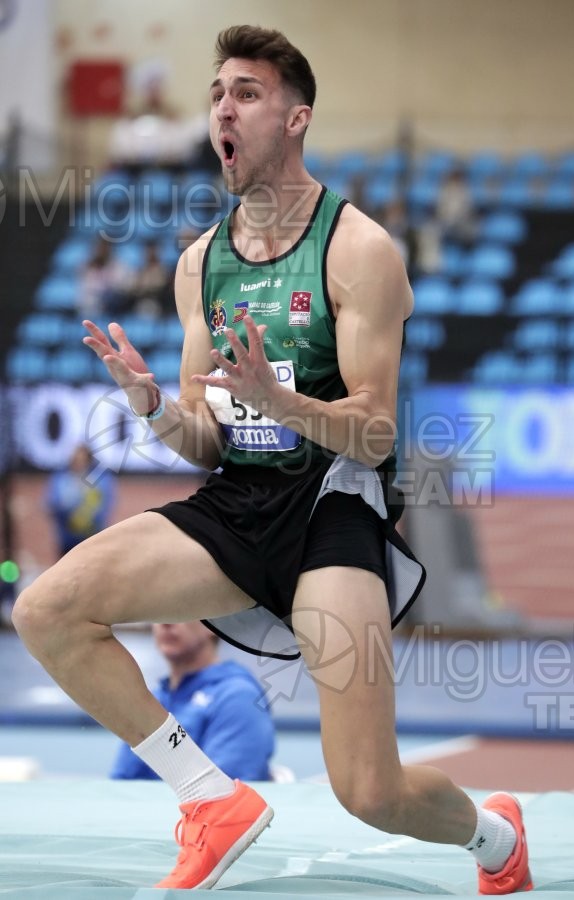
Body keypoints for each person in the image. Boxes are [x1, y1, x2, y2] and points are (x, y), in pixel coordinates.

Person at [12, 25, 532, 895]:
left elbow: (373, 433)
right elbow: (203, 439)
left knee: (371, 791)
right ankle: (209, 798)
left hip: (334, 509)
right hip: (238, 501)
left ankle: (492, 836)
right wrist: (151, 407)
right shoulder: (196, 267)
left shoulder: (358, 249)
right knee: (47, 611)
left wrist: (279, 400)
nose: (224, 108)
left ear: (296, 118)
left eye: (246, 93)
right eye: (217, 93)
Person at [110, 621, 275, 781]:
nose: (165, 622)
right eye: (157, 612)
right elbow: (121, 784)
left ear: (213, 623)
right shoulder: (155, 697)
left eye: (178, 611)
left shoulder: (239, 697)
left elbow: (222, 793)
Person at [45, 444, 116, 557]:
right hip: (67, 537)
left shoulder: (101, 479)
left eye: (82, 459)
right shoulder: (60, 479)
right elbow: (51, 503)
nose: (78, 463)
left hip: (92, 537)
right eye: (76, 459)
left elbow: (104, 506)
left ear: (88, 460)